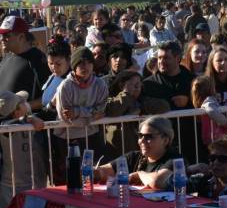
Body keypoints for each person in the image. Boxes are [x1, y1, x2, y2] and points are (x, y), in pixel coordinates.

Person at [54, 47, 109, 180]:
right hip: (67, 138)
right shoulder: (65, 86)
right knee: (72, 178)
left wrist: (78, 112)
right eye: (80, 63)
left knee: (94, 175)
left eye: (89, 62)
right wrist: (91, 116)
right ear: (74, 66)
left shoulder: (100, 85)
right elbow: (66, 118)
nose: (85, 66)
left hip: (92, 135)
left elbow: (101, 110)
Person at [94, 116, 182, 187]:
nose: (142, 141)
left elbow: (157, 181)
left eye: (149, 137)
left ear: (165, 140)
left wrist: (139, 174)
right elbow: (104, 171)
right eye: (140, 136)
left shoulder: (176, 160)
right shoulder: (134, 157)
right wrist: (91, 172)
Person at [157, 135, 227, 202]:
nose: (215, 163)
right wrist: (188, 170)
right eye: (212, 158)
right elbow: (170, 186)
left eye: (222, 159)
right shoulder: (204, 179)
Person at [0, 91, 46, 208]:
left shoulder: (24, 121)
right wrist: (27, 118)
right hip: (9, 187)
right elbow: (7, 127)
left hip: (32, 184)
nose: (26, 104)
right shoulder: (5, 128)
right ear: (17, 112)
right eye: (22, 103)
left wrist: (28, 119)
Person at [0, 16, 51, 111]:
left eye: (6, 36)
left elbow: (50, 95)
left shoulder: (37, 59)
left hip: (24, 123)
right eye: (1, 35)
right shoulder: (6, 57)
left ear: (21, 36)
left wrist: (25, 107)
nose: (2, 39)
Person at [142, 41, 194, 110]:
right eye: (159, 58)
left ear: (177, 58)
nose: (161, 62)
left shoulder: (193, 81)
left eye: (166, 58)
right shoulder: (148, 84)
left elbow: (203, 102)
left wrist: (188, 101)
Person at [41, 38, 71, 111]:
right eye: (50, 63)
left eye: (58, 64)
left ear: (68, 60)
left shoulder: (72, 81)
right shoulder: (53, 76)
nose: (54, 67)